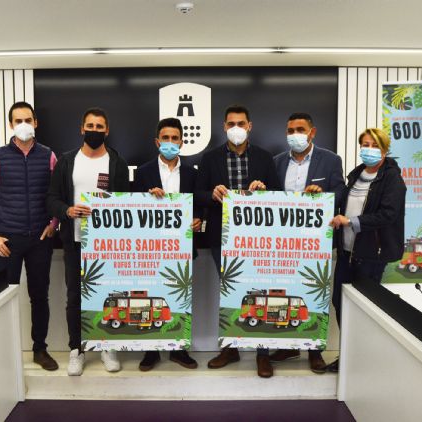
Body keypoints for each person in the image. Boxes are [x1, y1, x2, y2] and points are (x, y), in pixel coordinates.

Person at [195, 104, 280, 378]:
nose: (236, 128)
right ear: (224, 127)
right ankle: (230, 348)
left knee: (261, 292)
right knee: (230, 291)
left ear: (249, 126)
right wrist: (212, 194)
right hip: (222, 236)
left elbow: (278, 194)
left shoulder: (265, 158)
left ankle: (263, 354)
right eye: (231, 124)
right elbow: (197, 193)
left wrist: (264, 191)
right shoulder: (210, 158)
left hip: (258, 239)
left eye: (241, 123)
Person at [46, 108, 129, 376]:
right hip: (75, 241)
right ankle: (76, 349)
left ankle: (107, 347)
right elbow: (51, 199)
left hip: (108, 245)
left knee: (109, 296)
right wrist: (67, 210)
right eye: (90, 126)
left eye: (99, 126)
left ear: (107, 130)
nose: (94, 131)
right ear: (82, 128)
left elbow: (127, 202)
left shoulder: (117, 163)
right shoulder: (67, 161)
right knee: (74, 297)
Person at [0, 101, 58, 371]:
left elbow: (57, 194)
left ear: (36, 123)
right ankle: (4, 354)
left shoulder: (48, 156)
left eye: (28, 120)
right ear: (11, 124)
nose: (23, 125)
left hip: (40, 239)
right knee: (3, 298)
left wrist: (54, 222)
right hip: (7, 241)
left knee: (40, 296)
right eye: (18, 120)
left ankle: (40, 349)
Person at [271, 112, 344, 374]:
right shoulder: (277, 162)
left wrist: (323, 194)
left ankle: (314, 351)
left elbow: (340, 192)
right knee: (285, 294)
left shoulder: (331, 159)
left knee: (313, 294)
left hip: (315, 242)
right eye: (290, 130)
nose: (295, 135)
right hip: (283, 242)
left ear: (312, 132)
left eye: (300, 130)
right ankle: (288, 346)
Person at [328, 128, 406, 371]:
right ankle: (349, 357)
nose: (368, 149)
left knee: (363, 309)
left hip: (371, 255)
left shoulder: (392, 179)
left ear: (384, 149)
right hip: (346, 252)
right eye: (365, 144)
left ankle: (362, 363)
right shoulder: (356, 175)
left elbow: (388, 215)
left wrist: (350, 222)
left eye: (374, 145)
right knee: (340, 302)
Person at [133, 117, 202, 371]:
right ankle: (151, 351)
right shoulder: (143, 172)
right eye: (165, 138)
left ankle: (178, 349)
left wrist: (199, 220)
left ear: (182, 142)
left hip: (181, 248)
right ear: (157, 141)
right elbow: (133, 209)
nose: (170, 142)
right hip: (151, 248)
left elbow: (199, 206)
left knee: (180, 297)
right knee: (151, 296)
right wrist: (146, 198)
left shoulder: (192, 173)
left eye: (175, 138)